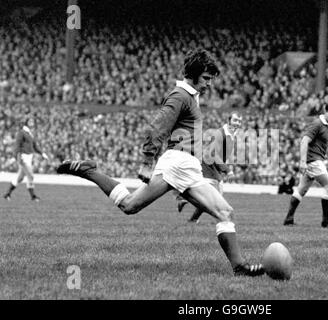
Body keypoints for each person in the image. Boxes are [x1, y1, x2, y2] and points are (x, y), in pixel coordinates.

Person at [57, 49, 264, 277]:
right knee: (225, 212)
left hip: (179, 163)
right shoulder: (180, 96)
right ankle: (239, 267)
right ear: (193, 75)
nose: (209, 84)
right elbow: (158, 126)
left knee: (129, 205)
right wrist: (147, 161)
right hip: (180, 164)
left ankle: (90, 171)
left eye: (211, 80)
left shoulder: (189, 97)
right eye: (206, 79)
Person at [283, 102, 328, 228]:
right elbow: (304, 140)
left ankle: (288, 219)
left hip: (314, 160)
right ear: (325, 110)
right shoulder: (317, 124)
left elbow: (325, 146)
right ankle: (326, 221)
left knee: (301, 190)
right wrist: (303, 162)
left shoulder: (327, 126)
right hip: (313, 161)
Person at [181, 112, 242, 223]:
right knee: (215, 196)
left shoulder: (232, 133)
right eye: (235, 120)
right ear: (228, 121)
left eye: (239, 121)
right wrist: (227, 170)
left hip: (213, 165)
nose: (237, 123)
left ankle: (191, 213)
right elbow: (213, 153)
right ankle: (222, 220)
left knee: (212, 196)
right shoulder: (220, 133)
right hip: (208, 165)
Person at [3, 118, 49, 201]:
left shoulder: (30, 133)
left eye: (32, 121)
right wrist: (16, 157)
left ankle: (7, 194)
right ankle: (33, 196)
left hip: (29, 157)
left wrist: (42, 153)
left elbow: (35, 146)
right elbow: (17, 145)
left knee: (20, 178)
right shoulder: (21, 133)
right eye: (30, 121)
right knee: (30, 175)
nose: (32, 122)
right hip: (23, 157)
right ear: (26, 123)